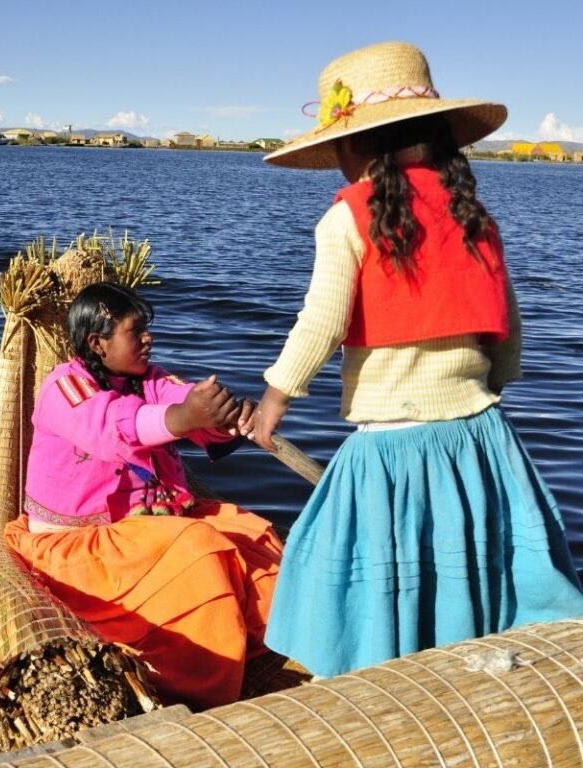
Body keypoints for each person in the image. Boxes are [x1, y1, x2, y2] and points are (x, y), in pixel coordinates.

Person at [244, 41, 583, 679]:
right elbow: (507, 323)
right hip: (480, 438)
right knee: (470, 568)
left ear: (355, 147)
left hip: (393, 448)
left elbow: (321, 322)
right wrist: (495, 385)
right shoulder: (473, 214)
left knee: (345, 571)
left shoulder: (346, 219)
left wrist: (274, 401)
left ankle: (386, 687)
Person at [4, 281, 283, 710]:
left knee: (253, 536)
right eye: (137, 332)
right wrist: (183, 417)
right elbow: (113, 426)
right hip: (81, 547)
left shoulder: (148, 380)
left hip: (147, 529)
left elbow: (179, 398)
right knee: (201, 549)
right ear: (98, 343)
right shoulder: (66, 387)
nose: (149, 339)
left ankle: (273, 642)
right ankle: (199, 690)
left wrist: (221, 415)